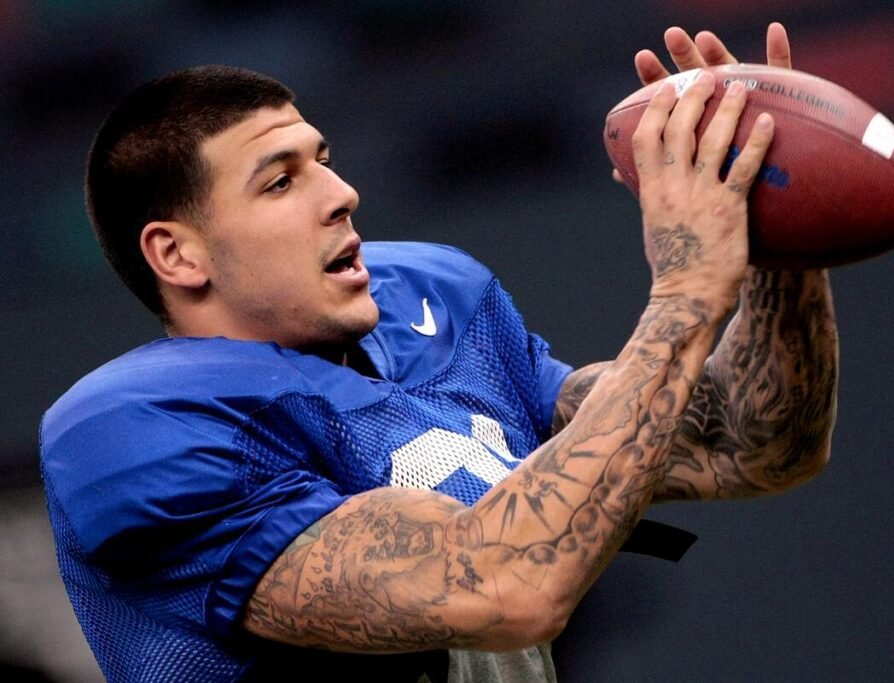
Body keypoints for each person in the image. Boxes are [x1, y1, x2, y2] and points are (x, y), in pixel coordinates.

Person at [39, 22, 838, 682]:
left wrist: (778, 240)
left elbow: (752, 443)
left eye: (322, 158)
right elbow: (504, 583)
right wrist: (687, 291)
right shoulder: (136, 433)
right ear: (178, 256)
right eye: (280, 181)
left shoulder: (432, 305)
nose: (340, 193)